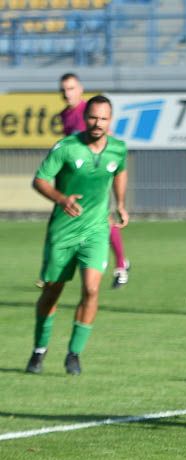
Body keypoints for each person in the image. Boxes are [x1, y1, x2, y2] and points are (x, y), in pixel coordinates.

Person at [25, 95, 129, 375]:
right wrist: (61, 199)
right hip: (63, 231)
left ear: (110, 120)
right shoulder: (67, 147)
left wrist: (120, 203)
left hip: (96, 230)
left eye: (103, 118)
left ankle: (74, 353)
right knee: (52, 291)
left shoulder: (118, 148)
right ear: (85, 118)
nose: (97, 123)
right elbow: (39, 180)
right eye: (93, 117)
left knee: (92, 289)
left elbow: (120, 171)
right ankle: (39, 349)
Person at [59, 73, 131, 290]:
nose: (67, 93)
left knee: (103, 218)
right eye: (63, 89)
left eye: (71, 88)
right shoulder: (65, 115)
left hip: (97, 173)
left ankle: (120, 265)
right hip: (78, 177)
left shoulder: (89, 110)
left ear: (80, 89)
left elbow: (107, 137)